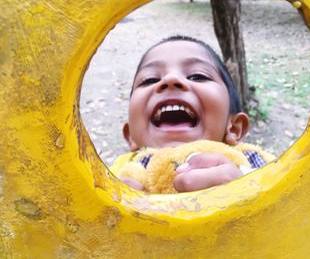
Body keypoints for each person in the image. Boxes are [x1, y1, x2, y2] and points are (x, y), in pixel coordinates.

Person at [110, 35, 273, 192]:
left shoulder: (253, 165)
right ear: (130, 135)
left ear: (234, 128)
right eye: (150, 79)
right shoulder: (114, 176)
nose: (171, 79)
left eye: (197, 76)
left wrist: (247, 189)